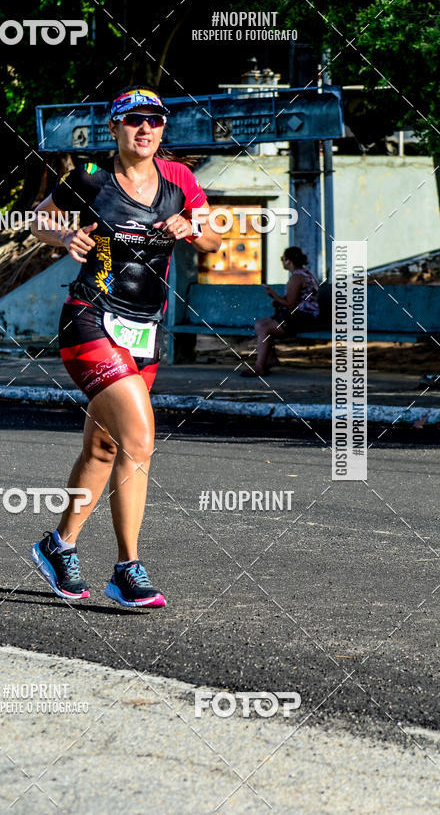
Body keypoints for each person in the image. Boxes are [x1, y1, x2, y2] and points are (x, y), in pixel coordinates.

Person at [29, 85, 221, 607]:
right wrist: (63, 238)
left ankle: (58, 545)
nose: (145, 130)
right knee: (139, 437)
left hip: (145, 330)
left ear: (163, 130)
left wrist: (190, 227)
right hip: (90, 319)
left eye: (154, 122)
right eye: (133, 121)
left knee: (104, 446)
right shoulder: (91, 179)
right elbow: (40, 218)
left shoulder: (179, 179)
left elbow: (212, 241)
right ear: (114, 129)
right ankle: (127, 569)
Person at [243, 246, 320, 377]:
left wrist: (273, 294)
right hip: (304, 317)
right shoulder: (305, 274)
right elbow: (294, 300)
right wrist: (278, 300)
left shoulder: (297, 278)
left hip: (302, 319)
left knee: (263, 328)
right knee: (261, 324)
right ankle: (270, 358)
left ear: (288, 261)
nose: (282, 262)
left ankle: (260, 366)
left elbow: (290, 304)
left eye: (282, 259)